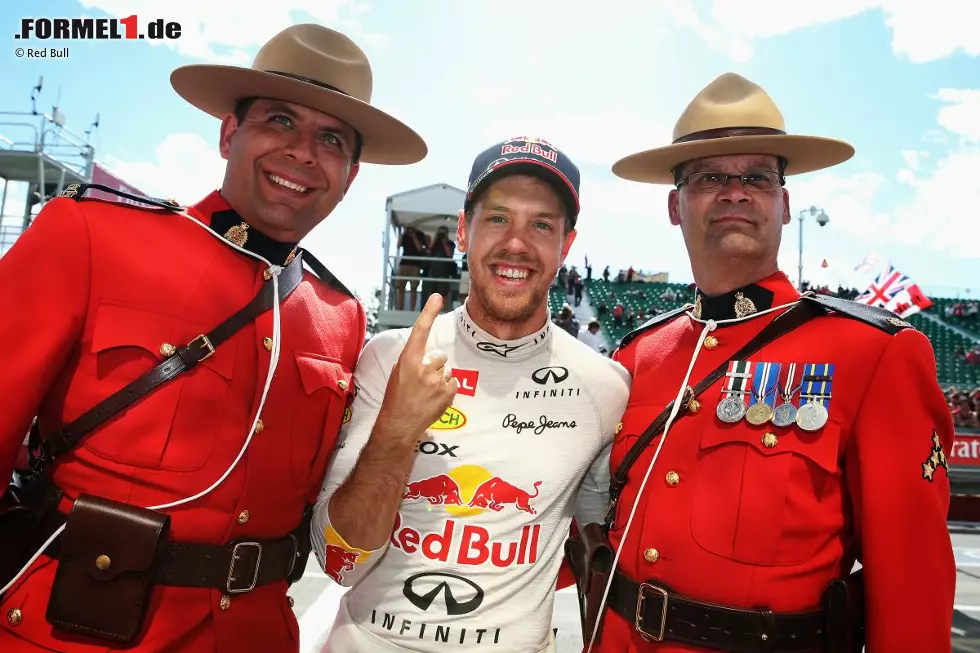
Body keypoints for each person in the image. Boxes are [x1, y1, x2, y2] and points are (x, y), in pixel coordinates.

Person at [0, 24, 426, 653]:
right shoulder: (90, 237)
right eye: (280, 121)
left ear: (350, 174)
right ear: (230, 133)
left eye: (330, 140)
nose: (304, 152)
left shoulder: (341, 316)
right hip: (75, 629)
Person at [585, 73, 955, 652]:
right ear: (674, 206)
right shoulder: (640, 354)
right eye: (709, 177)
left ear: (783, 203)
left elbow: (913, 580)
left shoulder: (873, 353)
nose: (734, 192)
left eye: (756, 176)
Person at [310, 136, 632, 652]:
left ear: (566, 246)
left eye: (542, 224)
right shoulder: (389, 356)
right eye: (498, 218)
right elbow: (338, 563)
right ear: (464, 230)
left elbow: (596, 555)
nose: (517, 244)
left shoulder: (604, 386)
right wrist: (397, 430)